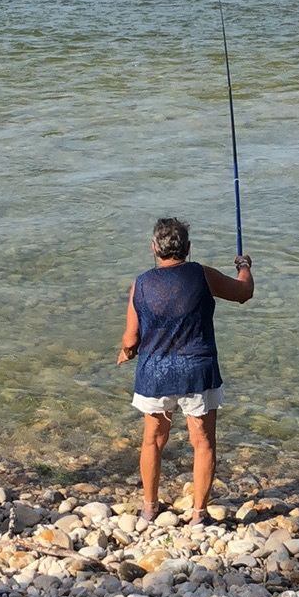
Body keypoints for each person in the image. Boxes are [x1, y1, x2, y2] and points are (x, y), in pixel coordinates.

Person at [117, 218, 254, 525]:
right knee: (203, 442)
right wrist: (244, 265)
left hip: (155, 372)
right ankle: (198, 514)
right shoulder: (201, 274)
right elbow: (244, 292)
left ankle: (150, 507)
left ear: (154, 248)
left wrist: (126, 352)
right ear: (188, 249)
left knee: (152, 440)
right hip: (198, 370)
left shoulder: (140, 283)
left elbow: (131, 339)